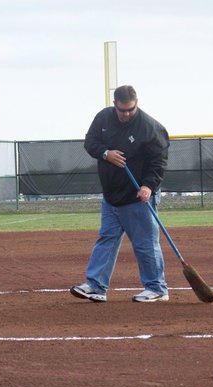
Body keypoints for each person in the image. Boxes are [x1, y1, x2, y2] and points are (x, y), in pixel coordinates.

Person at [70, 85, 170, 302]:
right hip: (111, 195)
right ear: (115, 104)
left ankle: (157, 289)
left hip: (137, 196)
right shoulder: (103, 118)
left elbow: (158, 161)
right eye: (122, 110)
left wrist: (148, 186)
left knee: (144, 243)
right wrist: (106, 154)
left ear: (136, 104)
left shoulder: (150, 127)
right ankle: (96, 286)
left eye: (130, 110)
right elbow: (90, 143)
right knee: (107, 238)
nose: (126, 114)